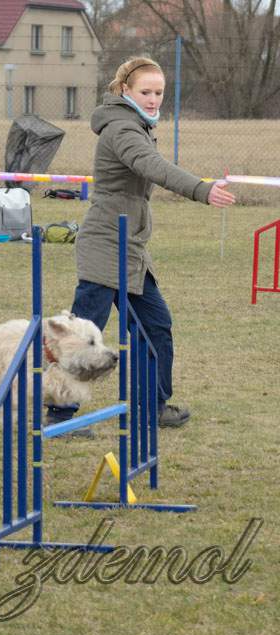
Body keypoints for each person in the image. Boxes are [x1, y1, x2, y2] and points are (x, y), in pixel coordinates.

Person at [45, 56, 236, 433]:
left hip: (129, 250)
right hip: (105, 246)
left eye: (159, 93)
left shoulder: (137, 124)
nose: (153, 99)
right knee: (84, 336)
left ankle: (151, 408)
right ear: (124, 91)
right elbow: (154, 167)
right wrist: (201, 189)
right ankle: (57, 415)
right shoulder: (122, 129)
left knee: (156, 326)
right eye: (145, 91)